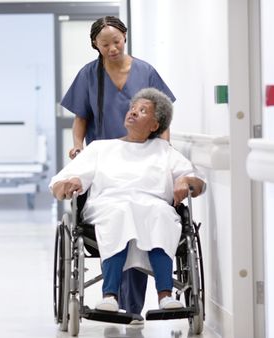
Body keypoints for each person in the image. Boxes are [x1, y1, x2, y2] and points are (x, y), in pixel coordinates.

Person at [50, 88, 206, 313]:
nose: (132, 113)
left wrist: (186, 181)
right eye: (132, 108)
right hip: (108, 206)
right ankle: (110, 296)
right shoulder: (100, 148)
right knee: (121, 212)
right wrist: (66, 184)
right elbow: (59, 183)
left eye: (142, 111)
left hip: (153, 207)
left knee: (162, 214)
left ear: (154, 125)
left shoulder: (164, 150)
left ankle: (165, 295)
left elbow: (197, 182)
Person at [60, 15, 177, 316]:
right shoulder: (89, 75)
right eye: (104, 44)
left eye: (116, 41)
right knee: (117, 213)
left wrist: (162, 148)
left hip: (143, 159)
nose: (112, 48)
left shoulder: (145, 71)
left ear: (125, 37)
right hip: (107, 166)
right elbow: (81, 118)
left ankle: (131, 307)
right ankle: (114, 298)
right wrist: (78, 146)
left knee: (146, 210)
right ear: (95, 46)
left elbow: (161, 115)